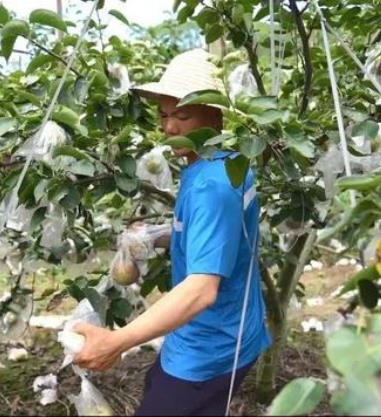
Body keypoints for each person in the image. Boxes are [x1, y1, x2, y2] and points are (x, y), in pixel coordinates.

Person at [73, 49, 271, 416]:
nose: (169, 128)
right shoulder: (220, 163)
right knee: (155, 385)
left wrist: (117, 341)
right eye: (164, 115)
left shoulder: (212, 187)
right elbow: (217, 237)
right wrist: (155, 237)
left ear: (217, 116)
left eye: (182, 115)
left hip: (212, 345)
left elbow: (201, 290)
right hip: (211, 333)